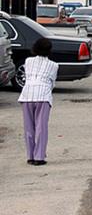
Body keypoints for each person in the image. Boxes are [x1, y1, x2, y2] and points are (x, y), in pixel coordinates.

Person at [18, 38, 59, 166]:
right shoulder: (54, 65)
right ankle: (39, 156)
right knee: (41, 127)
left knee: (29, 127)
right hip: (43, 96)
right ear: (49, 50)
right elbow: (52, 83)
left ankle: (30, 156)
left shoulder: (28, 61)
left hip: (27, 95)